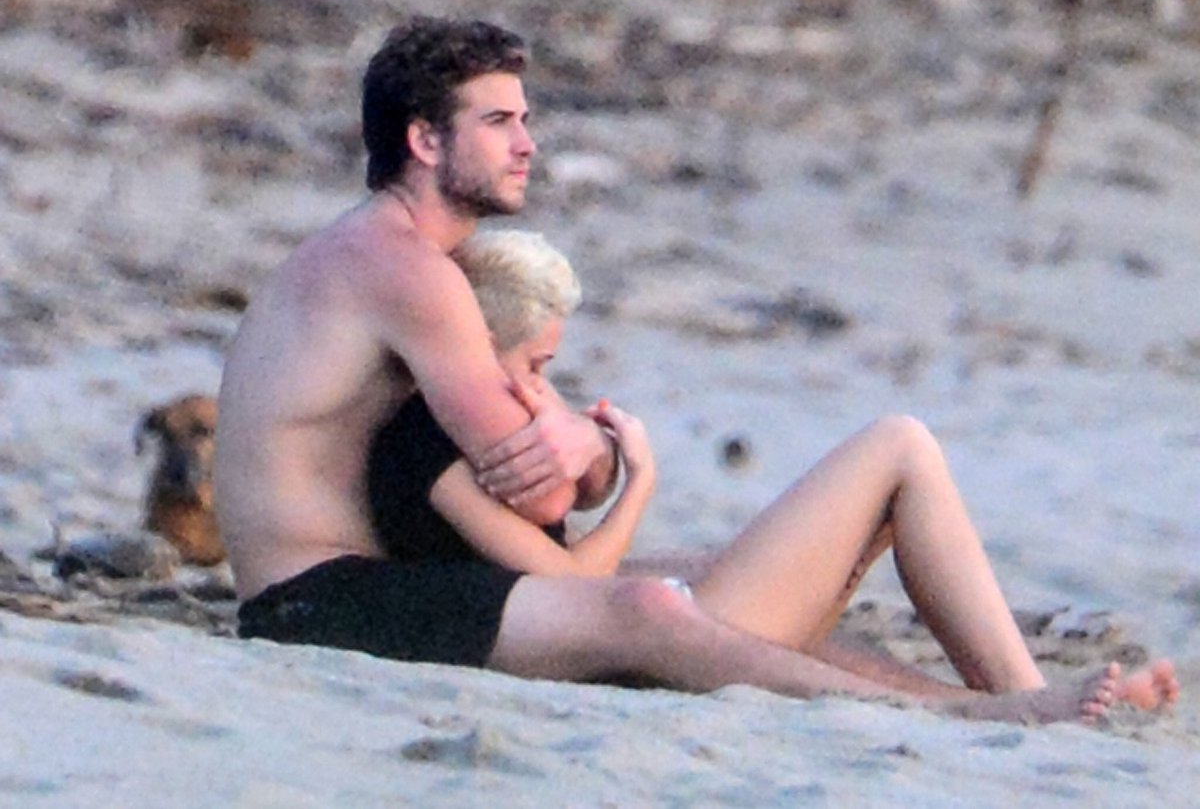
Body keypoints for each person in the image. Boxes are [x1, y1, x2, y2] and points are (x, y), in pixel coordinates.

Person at [243, 228, 1178, 724]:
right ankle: (1015, 701)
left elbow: (540, 548)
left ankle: (1003, 703)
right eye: (530, 363)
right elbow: (568, 581)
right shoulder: (426, 441)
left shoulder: (472, 425)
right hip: (601, 641)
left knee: (773, 588)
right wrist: (638, 483)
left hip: (570, 630)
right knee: (900, 446)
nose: (536, 387)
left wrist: (583, 448)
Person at [214, 17, 619, 607]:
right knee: (656, 606)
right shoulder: (405, 269)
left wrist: (586, 445)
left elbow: (567, 478)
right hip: (319, 595)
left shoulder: (408, 254)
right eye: (498, 122)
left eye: (524, 121)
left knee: (696, 584)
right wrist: (601, 447)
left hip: (379, 576)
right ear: (425, 141)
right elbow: (548, 497)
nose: (526, 145)